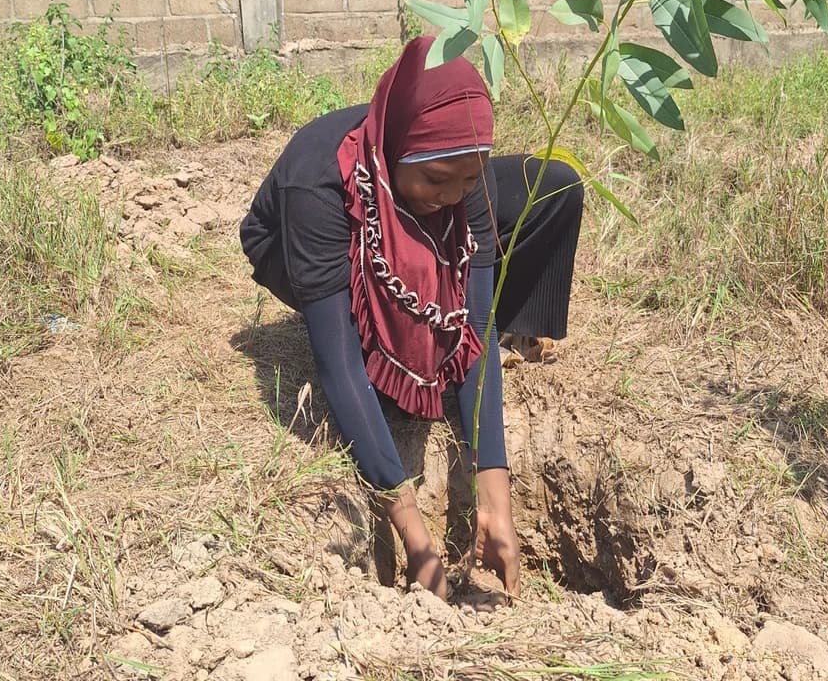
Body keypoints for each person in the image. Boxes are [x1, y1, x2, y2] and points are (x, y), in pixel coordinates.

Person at [240, 36, 583, 599]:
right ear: (399, 151)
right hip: (301, 239)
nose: (450, 196)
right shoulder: (317, 184)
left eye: (467, 181)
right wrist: (416, 539)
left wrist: (494, 495)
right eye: (438, 180)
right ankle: (388, 326)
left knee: (556, 186)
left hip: (404, 202)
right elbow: (338, 366)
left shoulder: (462, 177)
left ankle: (441, 313)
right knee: (368, 355)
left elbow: (474, 324)